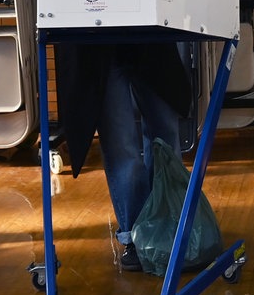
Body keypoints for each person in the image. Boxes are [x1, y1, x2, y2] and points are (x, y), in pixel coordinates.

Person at [54, 42, 191, 272]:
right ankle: (136, 238)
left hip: (149, 35)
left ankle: (170, 226)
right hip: (97, 43)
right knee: (121, 144)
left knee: (164, 137)